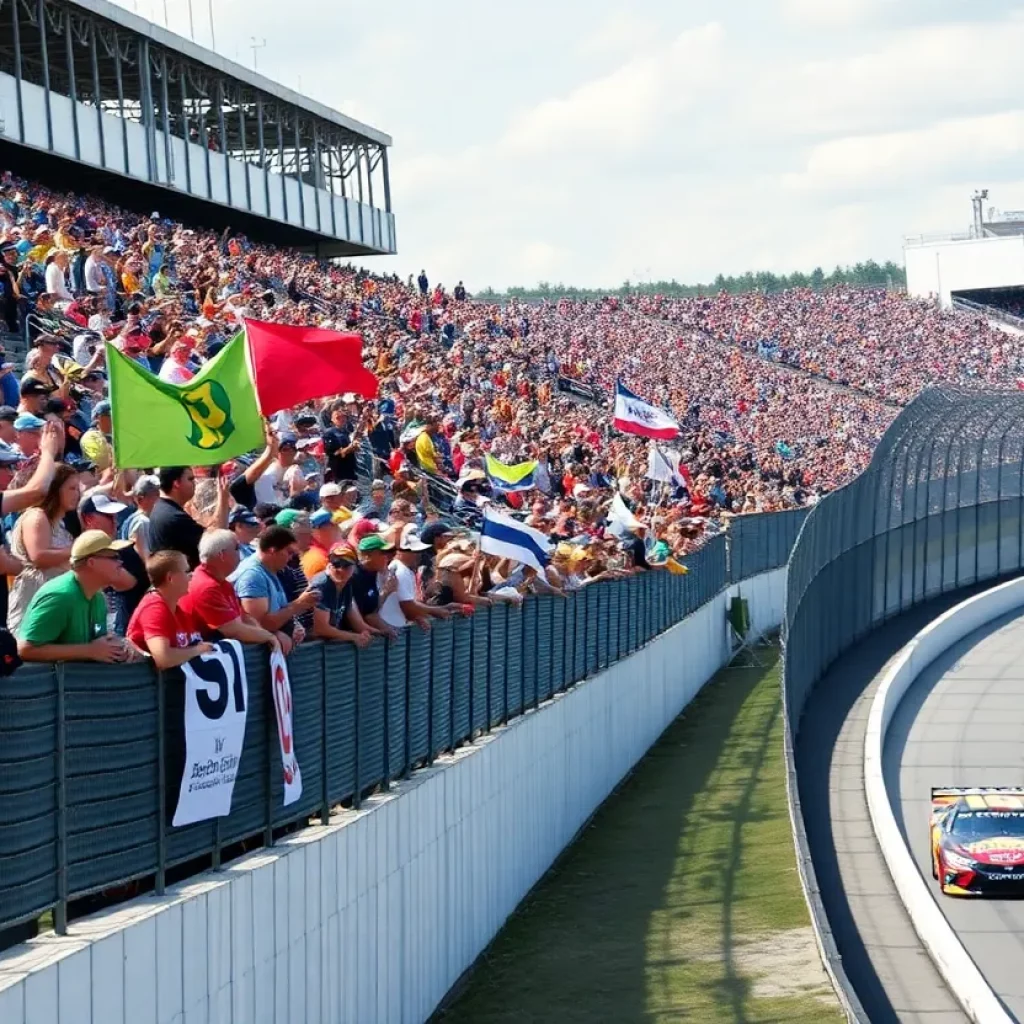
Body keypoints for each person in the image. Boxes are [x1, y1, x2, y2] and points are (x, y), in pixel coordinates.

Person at [17, 530, 135, 663]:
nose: (120, 562)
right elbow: (25, 650)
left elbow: (96, 645)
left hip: (77, 681)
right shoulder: (59, 597)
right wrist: (89, 650)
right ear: (91, 562)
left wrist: (115, 648)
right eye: (113, 557)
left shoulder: (98, 598)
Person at [7, 463, 79, 634]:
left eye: (77, 488)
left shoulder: (59, 525)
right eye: (71, 488)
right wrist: (78, 549)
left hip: (54, 604)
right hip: (34, 601)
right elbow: (38, 556)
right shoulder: (36, 516)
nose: (77, 494)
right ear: (54, 490)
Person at [179, 529, 280, 648]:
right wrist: (270, 637)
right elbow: (234, 630)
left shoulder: (222, 582)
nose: (241, 551)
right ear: (222, 555)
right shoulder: (206, 586)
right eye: (237, 548)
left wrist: (267, 634)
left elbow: (244, 617)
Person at [229, 525, 318, 654]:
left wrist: (293, 625)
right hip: (255, 663)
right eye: (289, 552)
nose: (291, 558)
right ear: (272, 550)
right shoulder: (253, 576)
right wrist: (298, 605)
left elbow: (278, 609)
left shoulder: (271, 570)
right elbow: (259, 625)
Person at [127, 550, 214, 668]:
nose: (191, 575)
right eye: (186, 571)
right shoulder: (153, 607)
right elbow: (163, 658)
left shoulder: (175, 608)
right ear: (170, 578)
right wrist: (198, 650)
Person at [149, 465, 229, 568]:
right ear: (176, 483)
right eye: (190, 479)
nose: (194, 483)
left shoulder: (162, 508)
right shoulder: (174, 517)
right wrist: (223, 497)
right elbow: (216, 539)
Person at [378, 525, 452, 631]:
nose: (419, 555)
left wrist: (417, 616)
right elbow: (408, 606)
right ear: (401, 552)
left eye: (420, 551)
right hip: (391, 629)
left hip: (397, 627)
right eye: (415, 551)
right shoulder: (400, 571)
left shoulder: (406, 569)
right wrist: (436, 610)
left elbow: (410, 603)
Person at [308, 543, 372, 647]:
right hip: (309, 649)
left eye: (346, 565)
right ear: (329, 564)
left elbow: (358, 623)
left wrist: (380, 632)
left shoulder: (347, 584)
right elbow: (320, 628)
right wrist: (354, 637)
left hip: (327, 648)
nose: (341, 570)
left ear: (354, 567)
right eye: (336, 564)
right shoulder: (322, 584)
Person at [119, 474, 160, 562]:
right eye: (156, 494)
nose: (160, 498)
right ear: (140, 499)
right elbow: (146, 559)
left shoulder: (132, 519)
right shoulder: (142, 522)